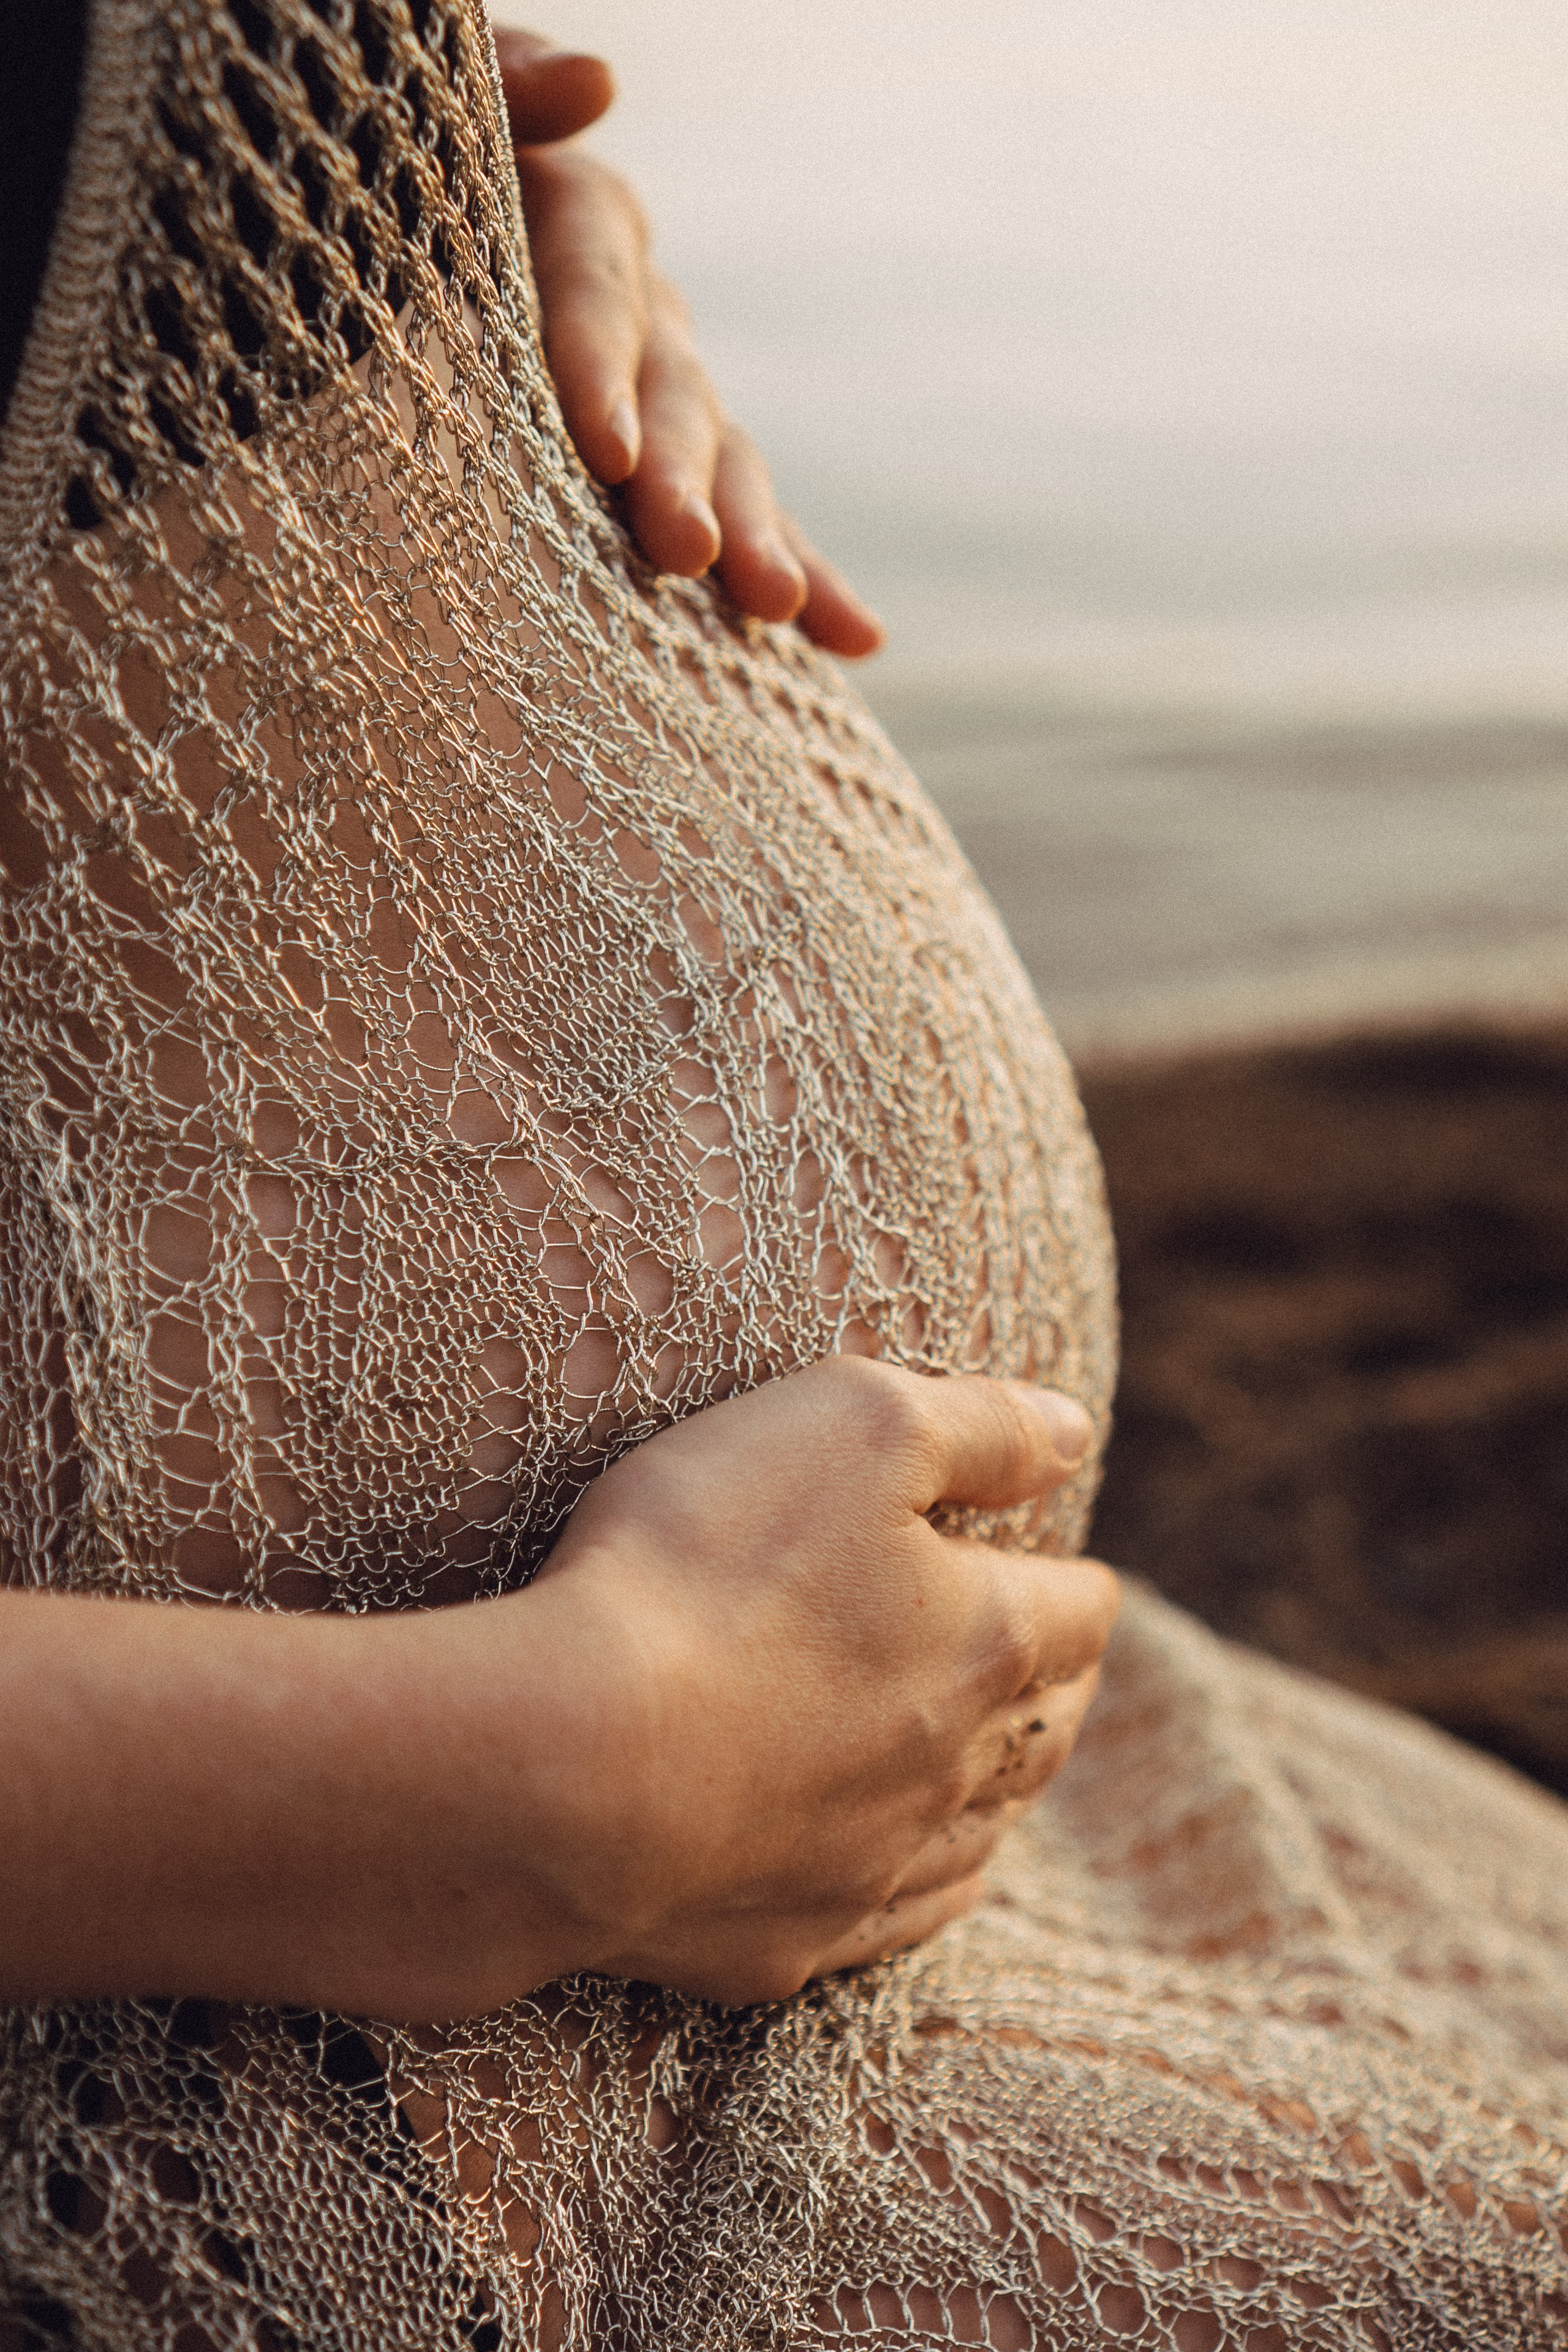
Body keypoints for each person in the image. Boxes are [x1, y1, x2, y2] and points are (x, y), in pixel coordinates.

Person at [1, 6, 1566, 2347]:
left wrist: (383, 278)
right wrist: (533, 1778)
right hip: (309, 1991)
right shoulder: (514, 1806)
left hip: (812, 1784)